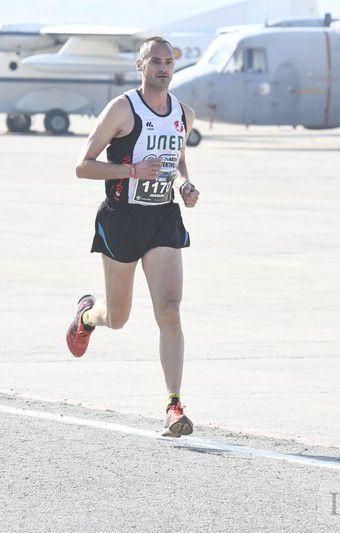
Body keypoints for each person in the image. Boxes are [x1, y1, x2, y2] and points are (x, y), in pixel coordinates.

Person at [66, 36, 200, 437]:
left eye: (168, 62)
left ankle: (173, 406)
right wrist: (131, 171)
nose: (162, 68)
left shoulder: (184, 114)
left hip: (162, 219)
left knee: (170, 310)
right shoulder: (122, 109)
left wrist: (186, 184)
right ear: (140, 66)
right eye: (154, 61)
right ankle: (88, 316)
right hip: (121, 218)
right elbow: (83, 167)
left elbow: (176, 156)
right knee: (119, 318)